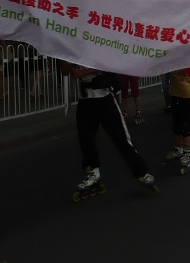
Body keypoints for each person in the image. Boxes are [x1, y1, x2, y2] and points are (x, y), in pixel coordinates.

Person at [61, 62, 158, 198]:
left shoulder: (97, 42)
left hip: (105, 98)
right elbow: (65, 71)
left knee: (122, 138)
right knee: (85, 139)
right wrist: (64, 58)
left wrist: (84, 72)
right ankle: (93, 174)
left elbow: (107, 64)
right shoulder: (74, 47)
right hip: (86, 100)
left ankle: (142, 172)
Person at [163, 70, 190, 174]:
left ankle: (188, 153)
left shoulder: (188, 58)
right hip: (176, 96)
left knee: (185, 126)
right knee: (176, 126)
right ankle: (178, 149)